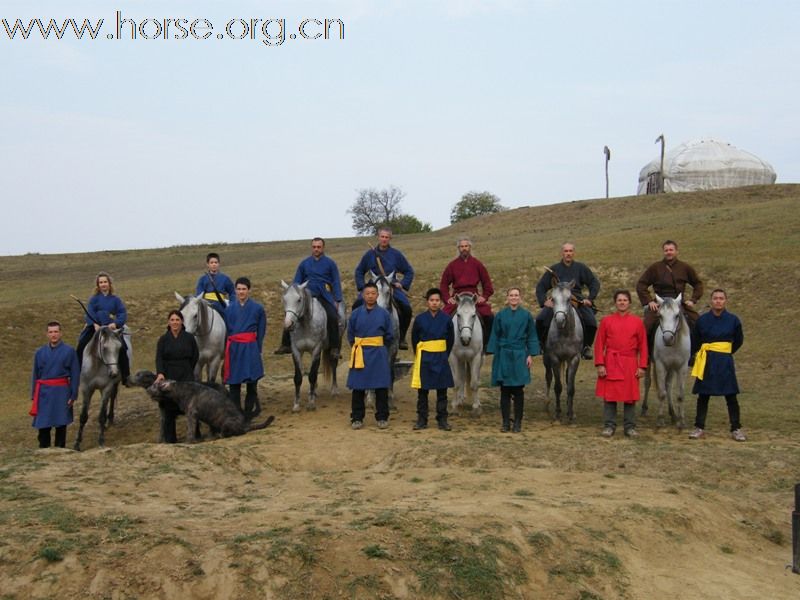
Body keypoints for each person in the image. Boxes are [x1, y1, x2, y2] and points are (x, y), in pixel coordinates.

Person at [689, 289, 746, 441]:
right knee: (703, 395)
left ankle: (736, 428)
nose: (718, 301)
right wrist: (693, 356)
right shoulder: (702, 320)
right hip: (706, 360)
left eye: (721, 298)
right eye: (715, 298)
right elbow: (695, 340)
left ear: (725, 300)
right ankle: (699, 428)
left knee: (731, 396)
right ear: (711, 301)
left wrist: (725, 352)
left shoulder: (733, 320)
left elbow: (739, 340)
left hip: (724, 361)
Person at [275, 237, 343, 358]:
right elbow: (296, 282)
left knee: (332, 316)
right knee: (290, 315)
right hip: (306, 296)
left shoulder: (330, 263)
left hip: (323, 295)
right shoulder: (304, 264)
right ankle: (285, 344)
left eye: (319, 247)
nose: (316, 249)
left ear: (323, 248)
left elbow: (336, 281)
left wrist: (337, 299)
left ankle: (334, 348)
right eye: (314, 247)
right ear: (311, 247)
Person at [636, 240, 703, 360]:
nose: (669, 252)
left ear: (676, 251)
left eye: (671, 250)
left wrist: (693, 300)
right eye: (666, 250)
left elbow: (698, 284)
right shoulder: (655, 267)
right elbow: (641, 284)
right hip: (660, 303)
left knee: (698, 323)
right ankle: (646, 355)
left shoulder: (685, 267)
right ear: (663, 252)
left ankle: (693, 353)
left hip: (678, 303)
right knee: (646, 326)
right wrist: (649, 301)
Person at [594, 290, 648, 438]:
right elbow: (599, 344)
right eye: (619, 300)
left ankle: (629, 427)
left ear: (629, 303)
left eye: (625, 300)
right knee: (610, 396)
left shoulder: (637, 322)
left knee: (630, 396)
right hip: (611, 362)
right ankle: (609, 426)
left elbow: (643, 345)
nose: (622, 302)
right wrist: (600, 364)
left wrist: (642, 366)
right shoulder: (606, 321)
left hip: (630, 363)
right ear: (615, 302)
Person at [486, 288, 540, 433]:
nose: (514, 298)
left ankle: (517, 423)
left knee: (518, 390)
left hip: (520, 354)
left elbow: (531, 335)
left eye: (516, 295)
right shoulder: (500, 315)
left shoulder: (527, 315)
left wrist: (530, 354)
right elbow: (495, 335)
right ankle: (505, 423)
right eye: (511, 295)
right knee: (504, 390)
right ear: (507, 298)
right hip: (504, 353)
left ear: (520, 298)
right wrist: (495, 353)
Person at [535, 242, 600, 360]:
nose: (568, 254)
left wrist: (589, 299)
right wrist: (544, 301)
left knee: (591, 322)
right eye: (566, 251)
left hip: (576, 299)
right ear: (562, 253)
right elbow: (541, 287)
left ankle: (586, 347)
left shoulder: (581, 268)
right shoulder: (554, 269)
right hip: (558, 298)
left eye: (570, 251)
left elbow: (594, 283)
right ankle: (540, 344)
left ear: (574, 253)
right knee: (540, 319)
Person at [353, 227, 415, 350]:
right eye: (382, 236)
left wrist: (402, 284)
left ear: (390, 238)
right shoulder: (369, 254)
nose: (384, 239)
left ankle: (401, 337)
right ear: (378, 237)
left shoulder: (396, 255)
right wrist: (362, 287)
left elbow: (409, 271)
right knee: (356, 305)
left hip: (391, 287)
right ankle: (357, 336)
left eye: (387, 237)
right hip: (372, 288)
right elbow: (359, 271)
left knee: (406, 307)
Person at [347, 282, 394, 430]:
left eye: (373, 293)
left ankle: (382, 417)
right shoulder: (355, 314)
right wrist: (359, 345)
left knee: (381, 386)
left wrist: (378, 345)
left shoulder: (384, 314)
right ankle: (357, 417)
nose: (370, 296)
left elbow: (390, 335)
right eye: (367, 293)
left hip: (378, 352)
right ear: (362, 295)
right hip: (360, 352)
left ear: (378, 295)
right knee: (358, 386)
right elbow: (350, 335)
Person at [410, 288, 455, 431]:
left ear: (441, 302)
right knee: (423, 391)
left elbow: (451, 340)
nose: (434, 303)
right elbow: (414, 339)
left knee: (442, 391)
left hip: (441, 357)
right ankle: (422, 419)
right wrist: (420, 354)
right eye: (432, 300)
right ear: (427, 302)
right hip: (425, 357)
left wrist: (443, 353)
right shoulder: (420, 319)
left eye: (437, 300)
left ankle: (442, 420)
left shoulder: (447, 319)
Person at [30, 321, 80, 448]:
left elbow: (75, 374)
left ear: (61, 333)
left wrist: (73, 394)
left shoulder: (69, 351)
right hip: (43, 393)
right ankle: (44, 450)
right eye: (51, 332)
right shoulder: (39, 352)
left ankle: (60, 451)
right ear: (47, 334)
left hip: (61, 392)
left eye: (56, 331)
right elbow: (35, 374)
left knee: (60, 424)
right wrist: (33, 394)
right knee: (43, 425)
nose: (54, 335)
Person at [75, 271, 131, 385]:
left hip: (110, 329)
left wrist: (115, 324)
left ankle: (126, 377)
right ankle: (76, 374)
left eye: (105, 282)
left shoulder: (116, 299)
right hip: (94, 327)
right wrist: (94, 323)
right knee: (81, 345)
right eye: (101, 282)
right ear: (98, 285)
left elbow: (122, 313)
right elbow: (89, 312)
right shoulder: (93, 299)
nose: (103, 284)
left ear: (109, 284)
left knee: (123, 348)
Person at [439, 237, 494, 349]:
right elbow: (443, 285)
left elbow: (487, 285)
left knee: (489, 316)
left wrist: (484, 297)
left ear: (470, 247)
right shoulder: (452, 265)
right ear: (458, 248)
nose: (464, 248)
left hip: (473, 297)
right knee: (442, 317)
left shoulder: (478, 264)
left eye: (466, 246)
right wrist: (447, 298)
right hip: (458, 298)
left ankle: (488, 344)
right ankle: (444, 344)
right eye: (462, 246)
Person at [155, 310, 200, 443]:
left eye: (177, 320)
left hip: (186, 374)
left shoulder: (189, 338)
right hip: (169, 375)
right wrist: (161, 373)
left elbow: (195, 355)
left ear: (182, 322)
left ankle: (195, 434)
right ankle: (170, 438)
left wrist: (187, 369)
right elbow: (159, 358)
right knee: (169, 407)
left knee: (191, 406)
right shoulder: (163, 339)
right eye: (172, 320)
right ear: (169, 322)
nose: (175, 322)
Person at [224, 277, 266, 418]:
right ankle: (236, 414)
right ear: (235, 290)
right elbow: (227, 331)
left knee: (252, 383)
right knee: (234, 384)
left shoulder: (258, 308)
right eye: (239, 289)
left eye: (244, 289)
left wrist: (258, 349)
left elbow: (261, 331)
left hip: (250, 348)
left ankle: (248, 413)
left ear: (249, 290)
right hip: (235, 348)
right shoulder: (229, 310)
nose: (241, 292)